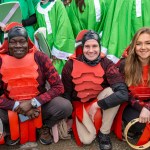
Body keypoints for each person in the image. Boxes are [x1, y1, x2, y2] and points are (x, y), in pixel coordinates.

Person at [0, 24, 72, 146]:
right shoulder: (1, 60)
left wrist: (33, 102)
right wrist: (16, 106)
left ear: (28, 42)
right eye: (13, 42)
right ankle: (10, 130)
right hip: (11, 107)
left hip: (39, 105)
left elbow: (59, 87)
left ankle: (44, 126)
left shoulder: (39, 57)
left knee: (65, 107)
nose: (18, 46)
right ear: (8, 43)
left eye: (22, 41)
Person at [62, 30, 128, 150]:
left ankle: (104, 132)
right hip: (80, 105)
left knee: (112, 92)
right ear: (82, 47)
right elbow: (66, 92)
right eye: (87, 46)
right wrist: (70, 117)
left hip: (99, 100)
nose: (91, 50)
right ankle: (88, 124)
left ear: (99, 47)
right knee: (86, 140)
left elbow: (123, 93)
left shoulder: (106, 63)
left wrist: (98, 104)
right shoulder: (70, 65)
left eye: (94, 46)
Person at [119, 27, 150, 141]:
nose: (143, 48)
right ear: (134, 46)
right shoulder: (124, 64)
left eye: (148, 43)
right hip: (133, 104)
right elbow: (124, 92)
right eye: (138, 44)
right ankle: (134, 129)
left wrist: (148, 108)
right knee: (138, 123)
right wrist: (143, 108)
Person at [35, 0, 75, 74]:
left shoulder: (57, 4)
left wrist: (57, 48)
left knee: (61, 70)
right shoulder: (37, 8)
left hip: (59, 45)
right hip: (47, 46)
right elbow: (38, 26)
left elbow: (63, 26)